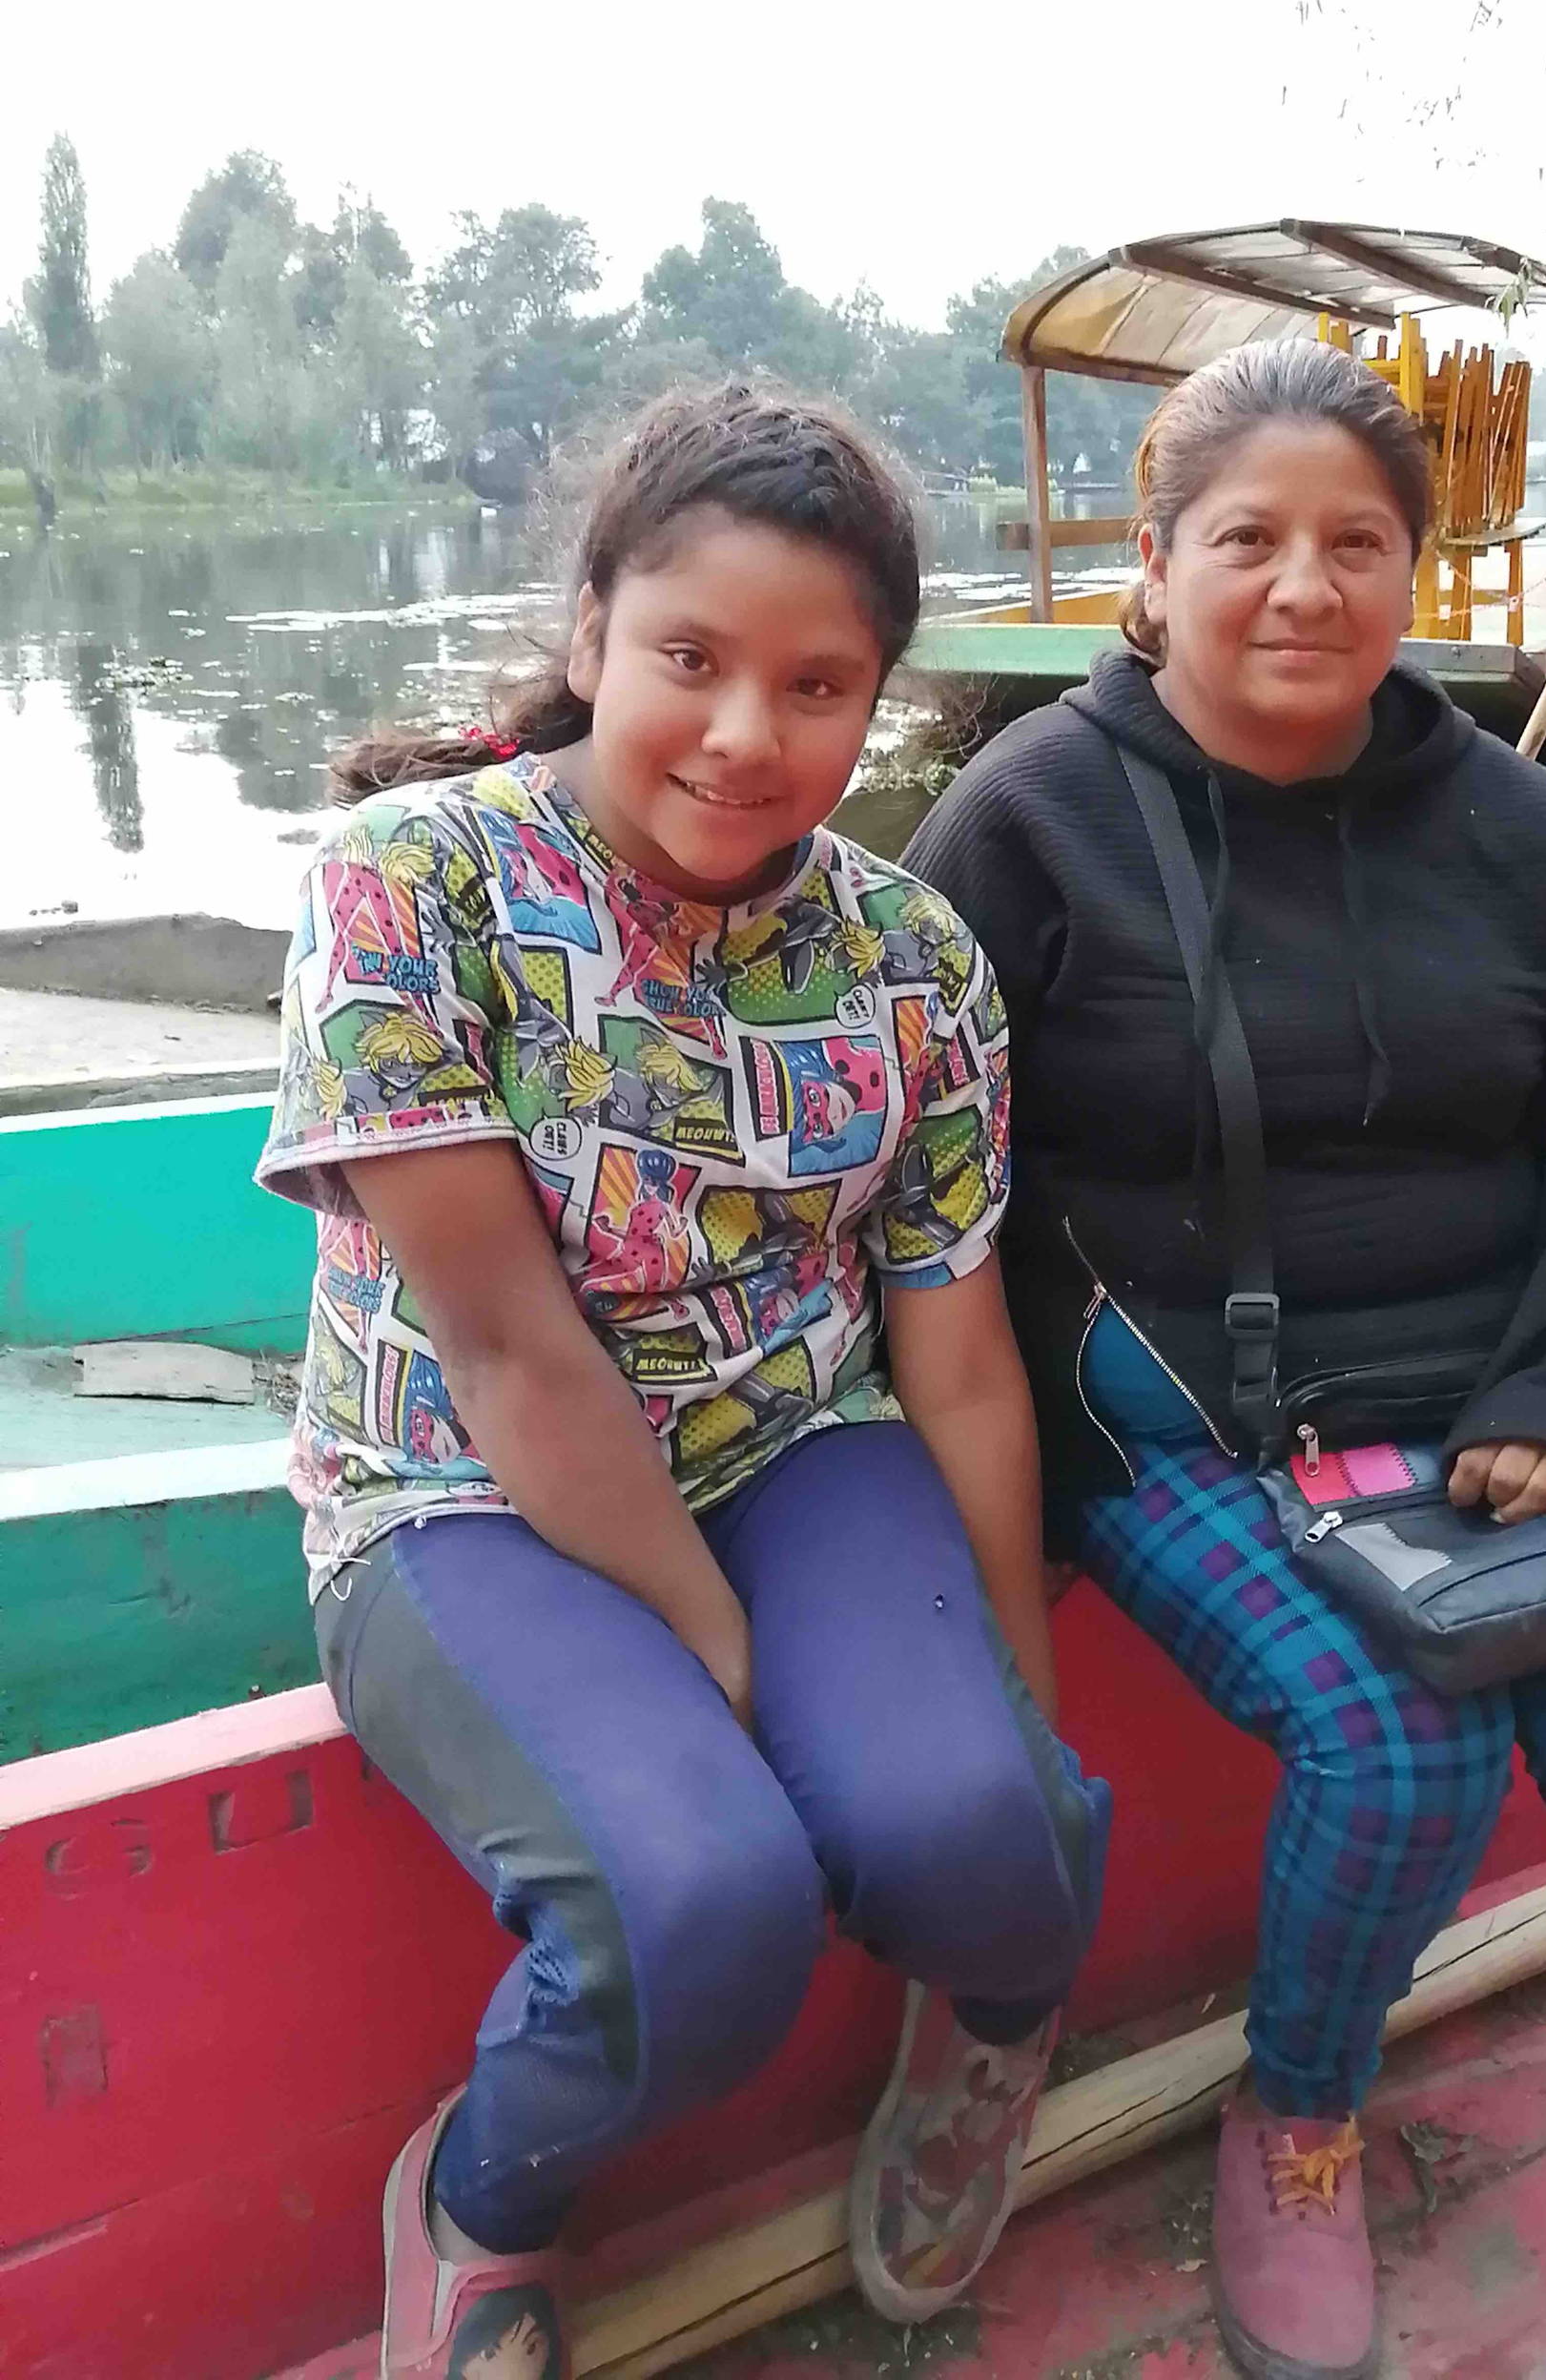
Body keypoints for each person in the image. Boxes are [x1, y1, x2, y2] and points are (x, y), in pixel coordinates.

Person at [906, 341, 1546, 2380]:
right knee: (1401, 1743)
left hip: (1479, 1423)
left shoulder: (1517, 826)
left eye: (1357, 542)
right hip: (1169, 1410)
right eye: (1250, 539)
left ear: (1419, 574)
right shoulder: (1028, 819)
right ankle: (1297, 2111)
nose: (1304, 587)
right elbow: (922, 1169)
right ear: (1155, 558)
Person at [258, 384, 1107, 2380]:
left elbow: (958, 1359)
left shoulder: (910, 962)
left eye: (817, 684)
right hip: (455, 1480)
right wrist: (719, 1653)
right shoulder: (412, 884)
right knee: (698, 1907)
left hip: (793, 1442)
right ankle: (487, 2204)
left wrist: (1018, 1714)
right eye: (691, 660)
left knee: (1003, 1830)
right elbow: (507, 1345)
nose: (745, 736)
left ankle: (990, 2039)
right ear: (590, 641)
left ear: (881, 698)